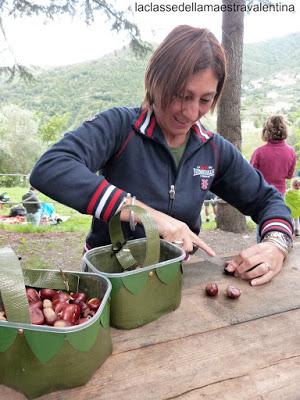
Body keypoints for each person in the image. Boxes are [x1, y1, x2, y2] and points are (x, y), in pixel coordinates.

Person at [30, 25, 294, 287]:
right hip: (107, 283)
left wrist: (276, 245)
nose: (191, 113)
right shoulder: (120, 127)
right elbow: (51, 168)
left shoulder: (214, 149)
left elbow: (267, 199)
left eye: (205, 100)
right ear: (156, 81)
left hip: (173, 282)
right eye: (182, 95)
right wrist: (148, 215)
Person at [250, 115, 296, 196]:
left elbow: (251, 175)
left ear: (265, 131)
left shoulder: (259, 152)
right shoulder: (291, 152)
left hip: (261, 195)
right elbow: (289, 176)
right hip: (280, 196)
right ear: (284, 130)